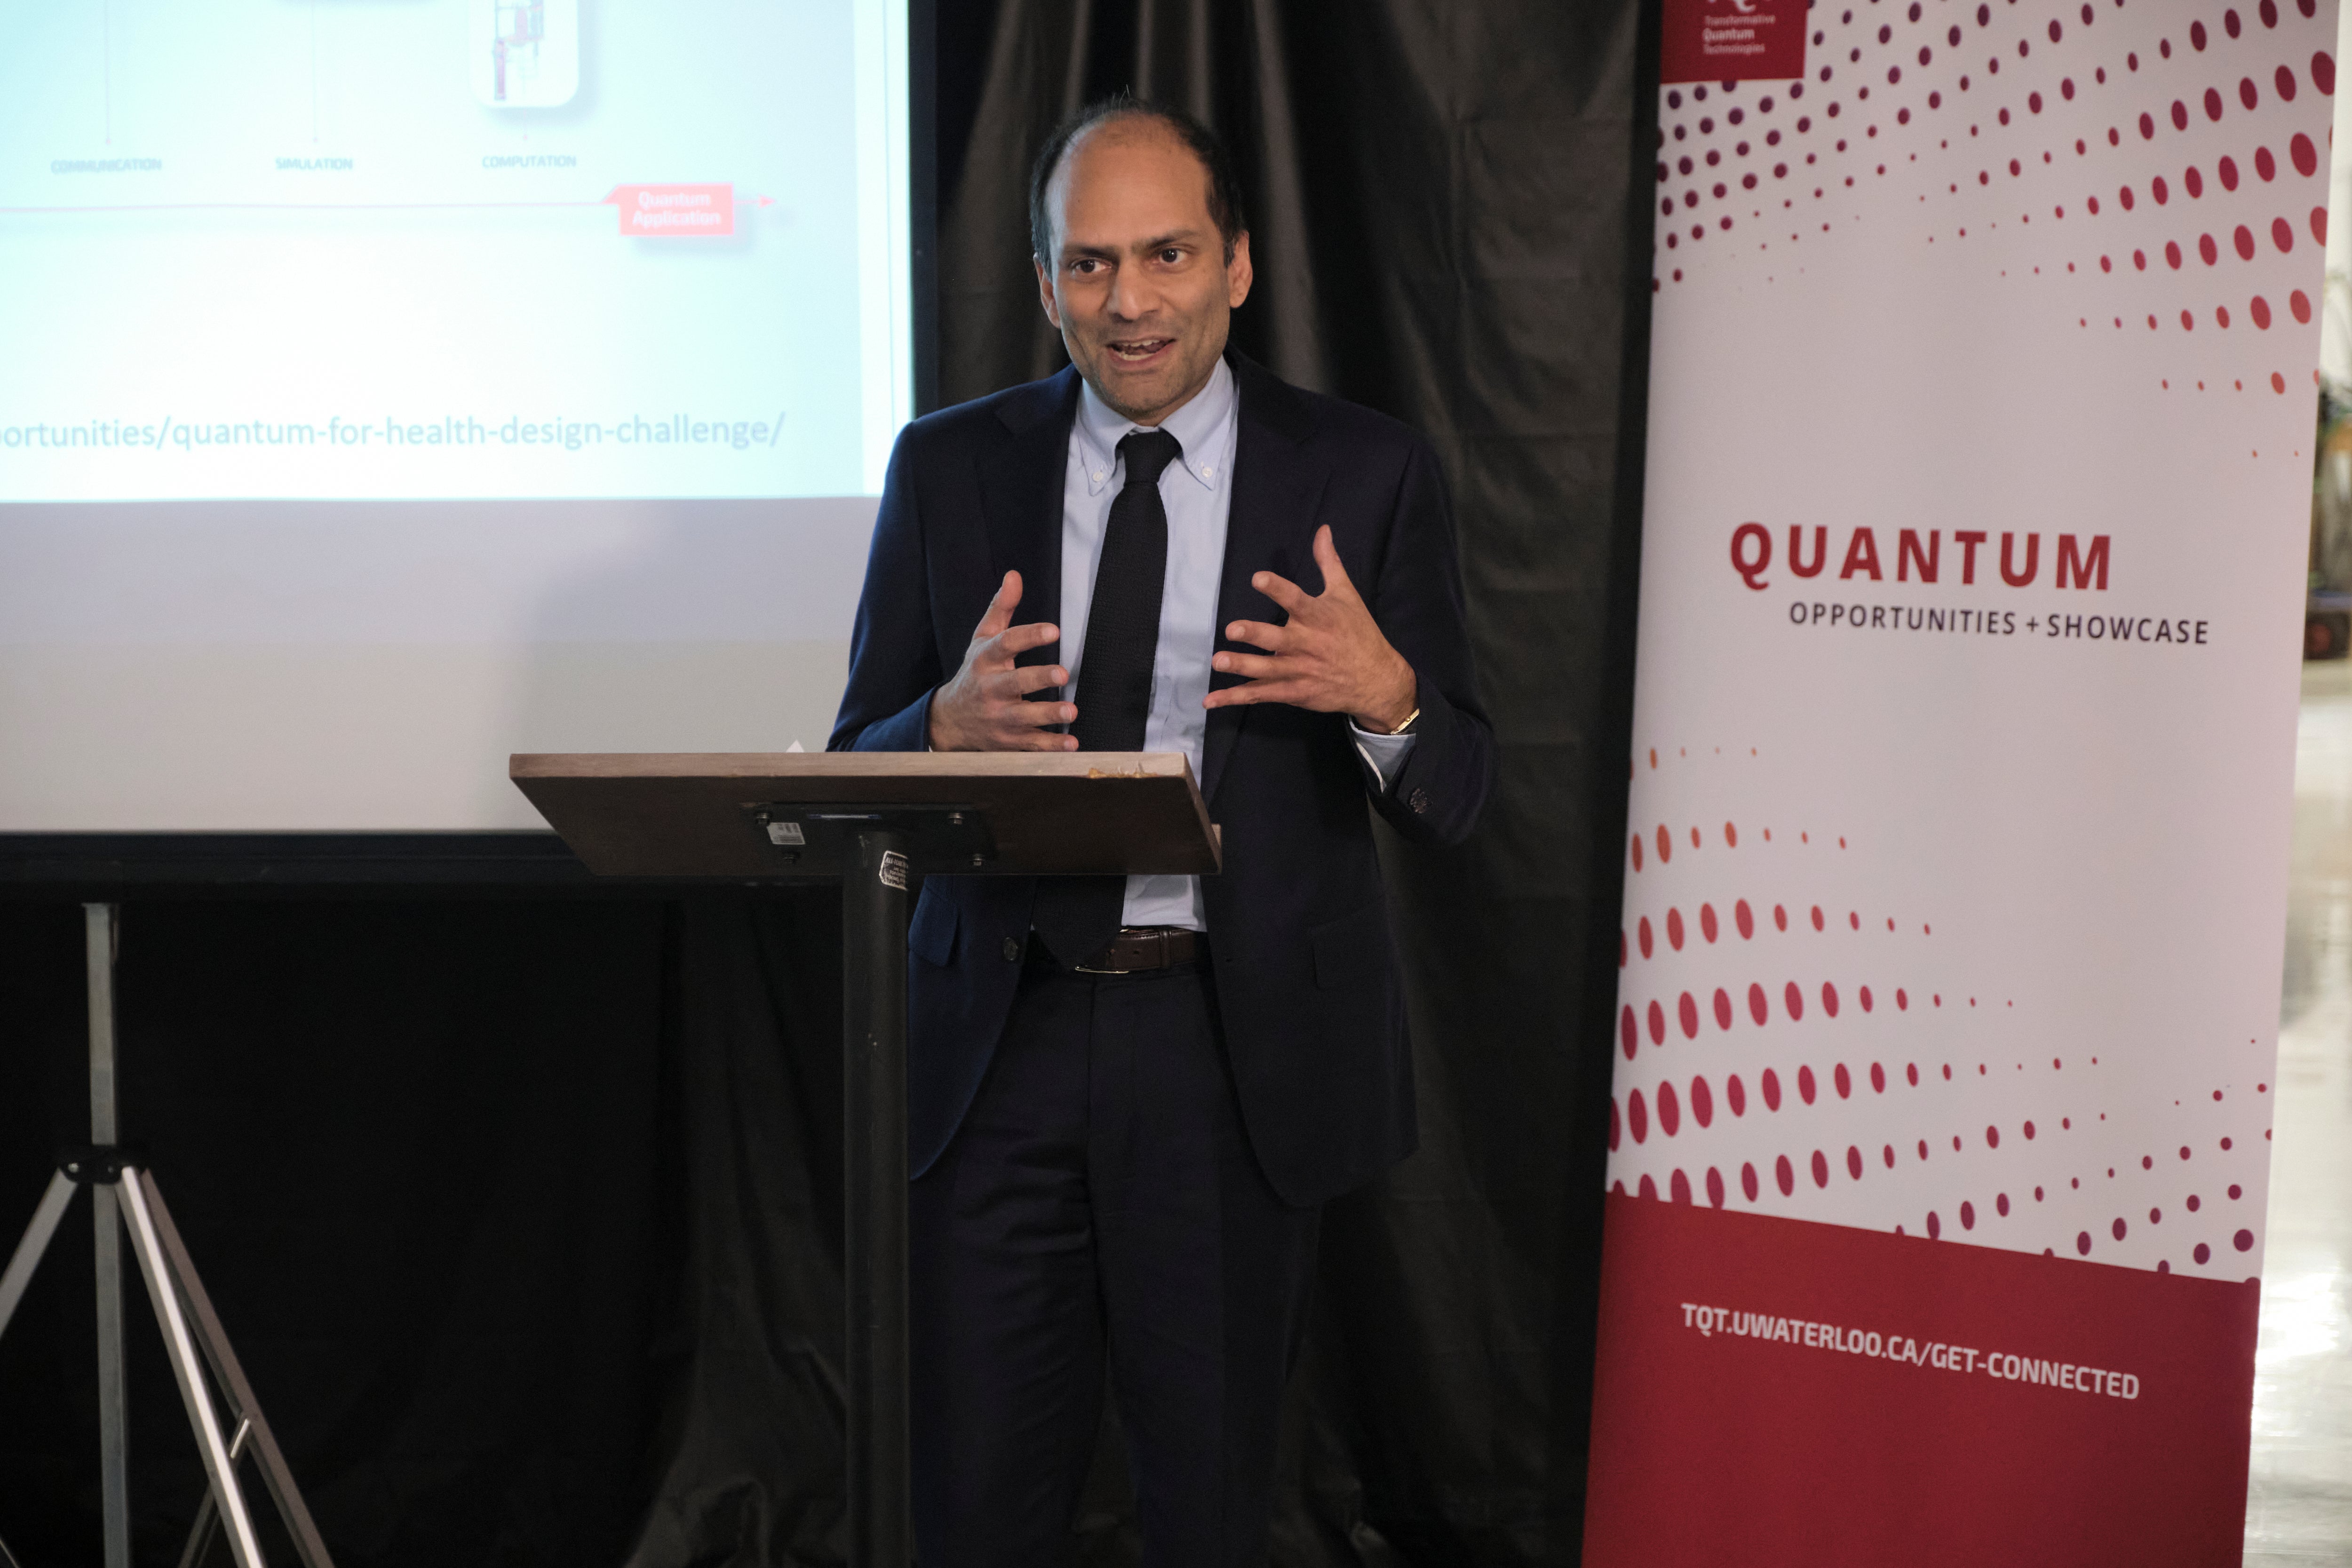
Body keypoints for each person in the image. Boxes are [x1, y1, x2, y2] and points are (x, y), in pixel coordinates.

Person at [829, 93, 1493, 1566]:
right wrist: (939, 734)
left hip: (1229, 1063)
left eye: (1168, 255)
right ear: (1046, 280)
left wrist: (1383, 695)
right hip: (996, 1055)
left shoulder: (1362, 472)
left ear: (1239, 267)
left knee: (1210, 1510)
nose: (1128, 303)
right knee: (976, 1508)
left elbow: (1463, 790)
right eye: (1088, 265)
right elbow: (849, 768)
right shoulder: (949, 467)